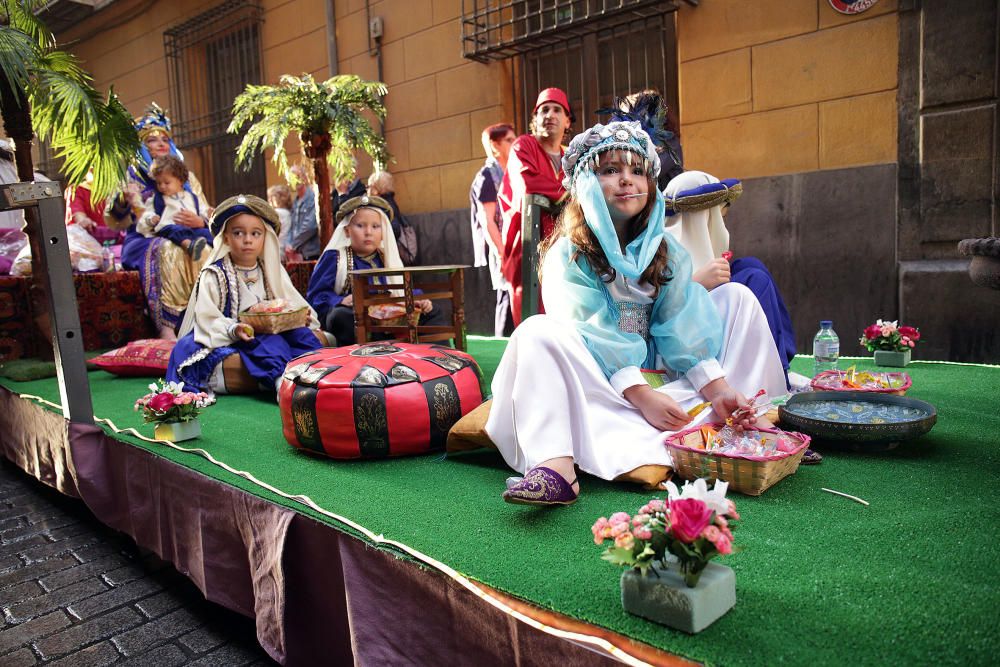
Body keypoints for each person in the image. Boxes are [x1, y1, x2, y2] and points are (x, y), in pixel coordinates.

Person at [488, 121, 788, 506]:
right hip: (605, 385)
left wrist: (718, 390)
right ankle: (556, 465)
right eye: (611, 170)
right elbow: (588, 327)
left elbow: (680, 319)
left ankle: (747, 423)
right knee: (535, 331)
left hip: (666, 376)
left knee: (737, 298)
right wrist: (641, 395)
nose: (626, 181)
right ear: (585, 184)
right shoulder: (570, 252)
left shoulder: (667, 251)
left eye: (637, 170)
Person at [167, 195, 323, 394]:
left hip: (271, 328)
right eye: (239, 233)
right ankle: (282, 384)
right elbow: (206, 317)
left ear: (264, 237)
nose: (248, 240)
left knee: (302, 336)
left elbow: (289, 301)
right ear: (226, 238)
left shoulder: (269, 269)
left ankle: (321, 375)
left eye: (255, 233)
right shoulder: (213, 274)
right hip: (233, 331)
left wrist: (298, 316)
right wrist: (234, 328)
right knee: (269, 343)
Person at [104, 103, 213, 339]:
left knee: (206, 250)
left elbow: (204, 209)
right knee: (169, 250)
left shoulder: (187, 177)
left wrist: (200, 222)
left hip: (191, 232)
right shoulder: (130, 175)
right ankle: (168, 325)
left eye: (164, 138)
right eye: (152, 140)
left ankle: (206, 319)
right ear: (142, 146)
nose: (161, 143)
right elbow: (116, 216)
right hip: (145, 237)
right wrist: (125, 198)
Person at [306, 195, 446, 346]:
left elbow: (402, 288)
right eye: (360, 226)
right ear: (347, 231)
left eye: (375, 226)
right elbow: (316, 296)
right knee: (342, 316)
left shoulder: (388, 258)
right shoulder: (335, 258)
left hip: (388, 315)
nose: (368, 232)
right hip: (353, 315)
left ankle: (437, 361)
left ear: (383, 231)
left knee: (432, 312)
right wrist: (339, 300)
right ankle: (370, 358)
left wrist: (418, 299)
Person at [498, 88, 572, 326]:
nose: (549, 115)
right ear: (535, 119)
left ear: (567, 121)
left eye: (556, 109)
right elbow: (530, 184)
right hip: (527, 243)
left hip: (564, 242)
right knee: (532, 317)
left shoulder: (570, 155)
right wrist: (573, 193)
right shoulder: (523, 146)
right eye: (543, 110)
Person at [470, 122, 516, 336]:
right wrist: (502, 252)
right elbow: (487, 220)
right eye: (509, 140)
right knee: (507, 296)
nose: (515, 143)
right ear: (494, 145)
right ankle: (503, 347)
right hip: (503, 246)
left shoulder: (512, 172)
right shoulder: (488, 176)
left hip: (516, 242)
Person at [137, 155, 213, 260]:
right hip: (169, 227)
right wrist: (151, 219)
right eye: (159, 183)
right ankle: (188, 246)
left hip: (193, 229)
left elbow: (202, 211)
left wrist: (209, 215)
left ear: (181, 181)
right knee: (176, 230)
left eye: (167, 183)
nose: (162, 186)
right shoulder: (156, 199)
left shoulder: (192, 197)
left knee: (208, 234)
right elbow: (147, 214)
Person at [367, 170, 418, 265]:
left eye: (369, 186)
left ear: (376, 189)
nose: (367, 190)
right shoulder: (389, 201)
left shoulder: (383, 205)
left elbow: (395, 229)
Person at [285, 165, 320, 262]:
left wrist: (293, 244)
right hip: (296, 253)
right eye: (292, 178)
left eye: (298, 176)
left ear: (305, 177)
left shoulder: (312, 197)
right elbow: (291, 227)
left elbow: (310, 226)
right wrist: (288, 244)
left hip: (310, 253)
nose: (296, 180)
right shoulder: (295, 202)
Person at [267, 184, 293, 254]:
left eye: (270, 197)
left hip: (277, 249)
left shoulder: (278, 213)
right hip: (284, 248)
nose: (269, 200)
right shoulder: (287, 212)